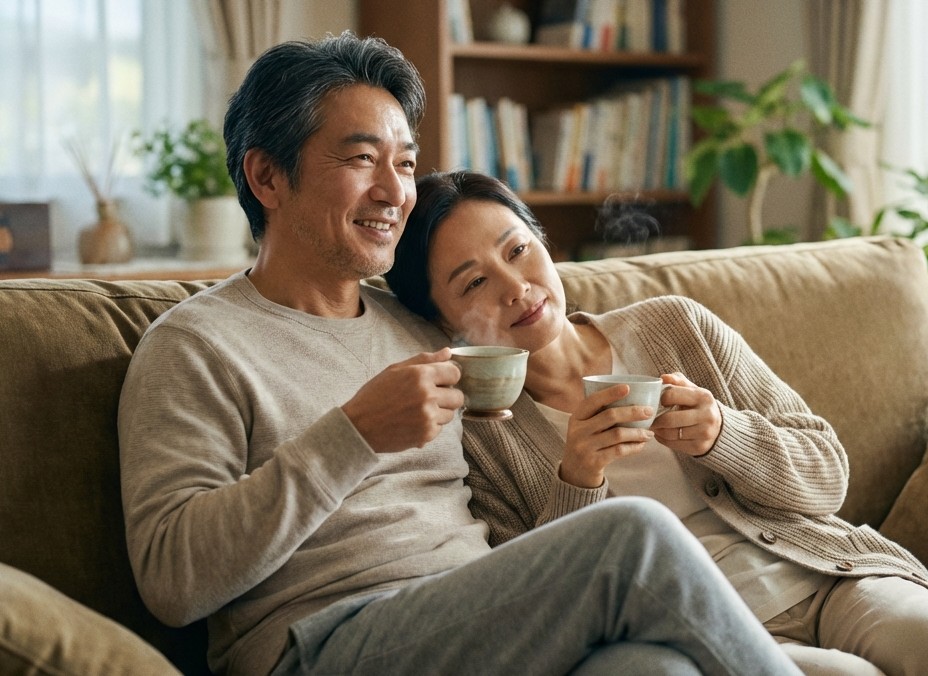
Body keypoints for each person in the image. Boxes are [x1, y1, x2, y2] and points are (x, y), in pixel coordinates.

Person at [118, 33, 804, 676]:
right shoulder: (195, 346)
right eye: (361, 160)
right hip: (321, 642)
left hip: (482, 616)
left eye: (406, 163)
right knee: (632, 536)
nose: (394, 193)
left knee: (650, 670)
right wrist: (352, 434)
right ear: (267, 177)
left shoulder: (419, 328)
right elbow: (174, 582)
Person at [384, 170, 928, 676]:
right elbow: (541, 609)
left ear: (544, 242)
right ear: (444, 321)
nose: (517, 287)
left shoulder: (675, 326)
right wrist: (577, 477)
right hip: (703, 626)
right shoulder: (479, 435)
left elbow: (827, 475)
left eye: (518, 249)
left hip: (824, 577)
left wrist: (724, 437)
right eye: (475, 283)